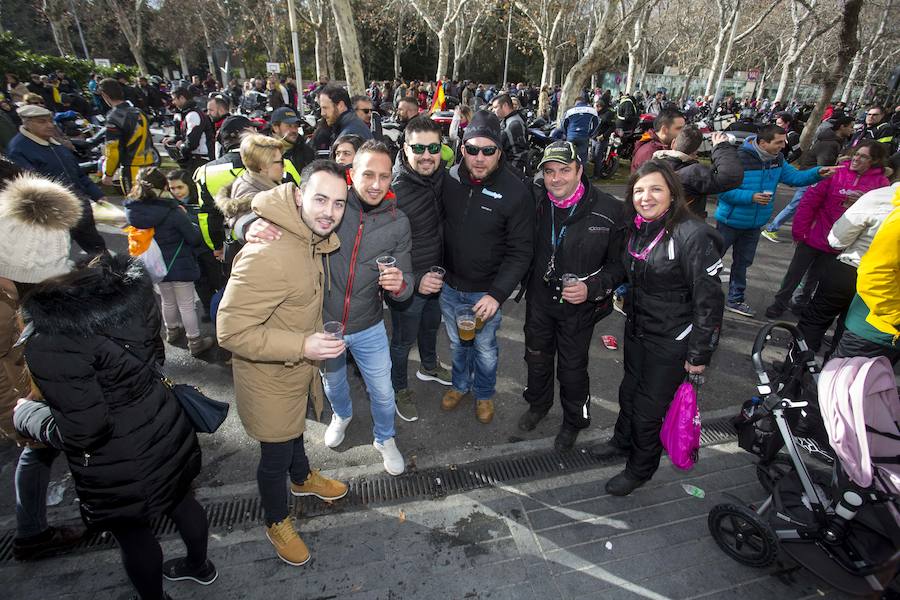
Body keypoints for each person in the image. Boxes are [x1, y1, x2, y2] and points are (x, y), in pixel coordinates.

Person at [13, 250, 216, 600]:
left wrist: (26, 415)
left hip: (116, 457)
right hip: (164, 424)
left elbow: (84, 429)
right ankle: (201, 567)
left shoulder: (50, 339)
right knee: (182, 500)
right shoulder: (126, 291)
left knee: (135, 534)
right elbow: (157, 357)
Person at [245, 142, 414, 475]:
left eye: (384, 175)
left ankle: (385, 437)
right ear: (352, 173)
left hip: (369, 324)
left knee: (383, 390)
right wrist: (247, 224)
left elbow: (406, 277)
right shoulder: (332, 205)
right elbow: (276, 203)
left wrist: (401, 285)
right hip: (324, 324)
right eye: (368, 174)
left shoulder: (399, 222)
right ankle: (343, 415)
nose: (376, 184)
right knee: (333, 384)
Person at [216, 160, 350, 567]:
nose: (330, 212)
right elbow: (230, 331)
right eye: (321, 199)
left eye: (339, 204)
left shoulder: (307, 235)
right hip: (269, 378)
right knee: (273, 458)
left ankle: (303, 478)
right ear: (298, 196)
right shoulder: (270, 251)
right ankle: (276, 520)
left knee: (293, 435)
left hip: (293, 371)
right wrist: (303, 344)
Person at [590, 161, 725, 496]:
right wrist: (593, 286)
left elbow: (710, 301)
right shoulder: (638, 228)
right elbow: (625, 272)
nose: (645, 197)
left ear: (672, 194)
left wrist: (698, 354)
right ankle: (622, 441)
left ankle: (640, 468)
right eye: (638, 190)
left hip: (672, 341)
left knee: (649, 410)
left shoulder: (692, 234)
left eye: (655, 189)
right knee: (628, 393)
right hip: (638, 329)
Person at [519, 141, 625, 450]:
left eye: (565, 170)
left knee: (572, 367)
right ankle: (538, 406)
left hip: (579, 308)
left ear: (580, 170)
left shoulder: (609, 209)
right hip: (540, 298)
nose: (556, 179)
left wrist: (592, 288)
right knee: (536, 357)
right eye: (550, 171)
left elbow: (622, 265)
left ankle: (574, 420)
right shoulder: (536, 201)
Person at [0, 174, 84, 561]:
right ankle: (32, 533)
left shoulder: (16, 289)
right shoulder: (5, 306)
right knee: (38, 451)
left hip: (34, 390)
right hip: (23, 395)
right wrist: (26, 410)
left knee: (42, 452)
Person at [440, 111, 533, 423]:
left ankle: (484, 393)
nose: (479, 158)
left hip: (486, 294)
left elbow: (521, 251)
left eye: (488, 150)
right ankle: (460, 385)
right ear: (462, 148)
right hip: (450, 288)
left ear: (499, 152)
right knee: (456, 344)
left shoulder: (516, 190)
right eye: (472, 149)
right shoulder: (449, 179)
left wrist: (497, 294)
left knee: (485, 349)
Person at [715, 125, 832, 318]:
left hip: (754, 225)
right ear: (763, 143)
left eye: (783, 141)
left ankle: (735, 300)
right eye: (778, 142)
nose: (783, 145)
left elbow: (794, 178)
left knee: (742, 263)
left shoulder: (777, 160)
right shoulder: (737, 158)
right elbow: (721, 190)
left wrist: (818, 173)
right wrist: (751, 197)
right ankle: (699, 295)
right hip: (729, 222)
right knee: (712, 260)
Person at [765, 141, 889, 319]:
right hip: (814, 234)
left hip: (843, 239)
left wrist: (864, 203)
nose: (857, 158)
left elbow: (882, 214)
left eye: (863, 156)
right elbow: (808, 203)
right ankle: (779, 303)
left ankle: (800, 303)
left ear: (874, 161)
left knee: (816, 277)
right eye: (856, 154)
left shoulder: (880, 183)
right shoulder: (836, 173)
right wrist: (799, 231)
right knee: (795, 273)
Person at [388, 116, 453, 420]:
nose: (427, 155)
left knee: (431, 327)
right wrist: (414, 281)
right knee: (402, 341)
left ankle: (429, 366)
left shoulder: (444, 177)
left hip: (439, 277)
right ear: (405, 147)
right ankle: (398, 387)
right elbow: (385, 249)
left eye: (433, 147)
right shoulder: (394, 190)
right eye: (418, 148)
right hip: (410, 284)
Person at [799, 181, 900, 355]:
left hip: (852, 269)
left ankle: (792, 374)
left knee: (815, 320)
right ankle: (833, 378)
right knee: (848, 332)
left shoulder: (877, 197)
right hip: (886, 286)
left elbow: (837, 240)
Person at [124, 168, 215, 356]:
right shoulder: (172, 210)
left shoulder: (133, 209)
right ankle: (195, 340)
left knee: (167, 300)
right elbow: (193, 238)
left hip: (155, 265)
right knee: (187, 304)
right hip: (180, 263)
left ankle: (172, 331)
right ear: (164, 186)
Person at [7, 104, 107, 255]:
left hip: (80, 207)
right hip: (55, 215)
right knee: (58, 255)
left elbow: (78, 173)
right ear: (26, 123)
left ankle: (112, 275)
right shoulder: (19, 149)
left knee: (97, 248)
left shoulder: (55, 143)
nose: (50, 125)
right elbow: (33, 188)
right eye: (42, 121)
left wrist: (98, 195)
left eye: (50, 121)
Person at [830, 184, 900, 363]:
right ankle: (793, 380)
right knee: (839, 386)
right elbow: (875, 274)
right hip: (876, 329)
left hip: (885, 331)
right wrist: (896, 318)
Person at [762, 116, 855, 243]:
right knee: (796, 205)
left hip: (811, 176)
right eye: (850, 126)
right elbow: (823, 164)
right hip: (812, 178)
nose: (783, 146)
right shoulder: (830, 143)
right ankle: (772, 228)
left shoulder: (834, 141)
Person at [652, 128, 743, 218]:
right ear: (696, 152)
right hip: (686, 225)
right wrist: (721, 147)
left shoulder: (654, 164)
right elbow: (731, 177)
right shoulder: (693, 174)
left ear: (673, 143)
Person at [97, 79, 156, 195]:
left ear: (105, 95)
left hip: (132, 168)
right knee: (152, 203)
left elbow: (113, 150)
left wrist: (108, 174)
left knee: (135, 206)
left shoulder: (114, 116)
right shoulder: (138, 112)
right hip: (150, 165)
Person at [166, 87, 215, 173]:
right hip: (199, 159)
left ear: (182, 98)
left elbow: (192, 143)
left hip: (201, 160)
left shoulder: (193, 115)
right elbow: (188, 135)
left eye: (174, 99)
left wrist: (181, 146)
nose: (173, 102)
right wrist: (174, 139)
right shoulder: (191, 113)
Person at [630, 108, 686, 173]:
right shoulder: (649, 153)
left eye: (684, 128)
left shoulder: (665, 146)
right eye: (679, 128)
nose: (683, 132)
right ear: (664, 130)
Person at [489, 93, 529, 173]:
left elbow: (518, 155)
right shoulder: (507, 120)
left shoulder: (514, 124)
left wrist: (510, 175)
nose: (493, 110)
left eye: (496, 107)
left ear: (505, 106)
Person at [270, 106, 313, 177]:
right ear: (276, 128)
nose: (294, 130)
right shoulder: (265, 152)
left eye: (296, 126)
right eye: (289, 126)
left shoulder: (306, 151)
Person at [560, 96, 600, 167]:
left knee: (569, 156)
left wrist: (567, 134)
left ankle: (568, 172)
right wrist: (591, 133)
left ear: (576, 103)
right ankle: (580, 175)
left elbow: (563, 124)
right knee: (582, 158)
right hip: (584, 136)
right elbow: (596, 124)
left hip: (571, 136)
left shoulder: (570, 111)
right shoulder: (592, 110)